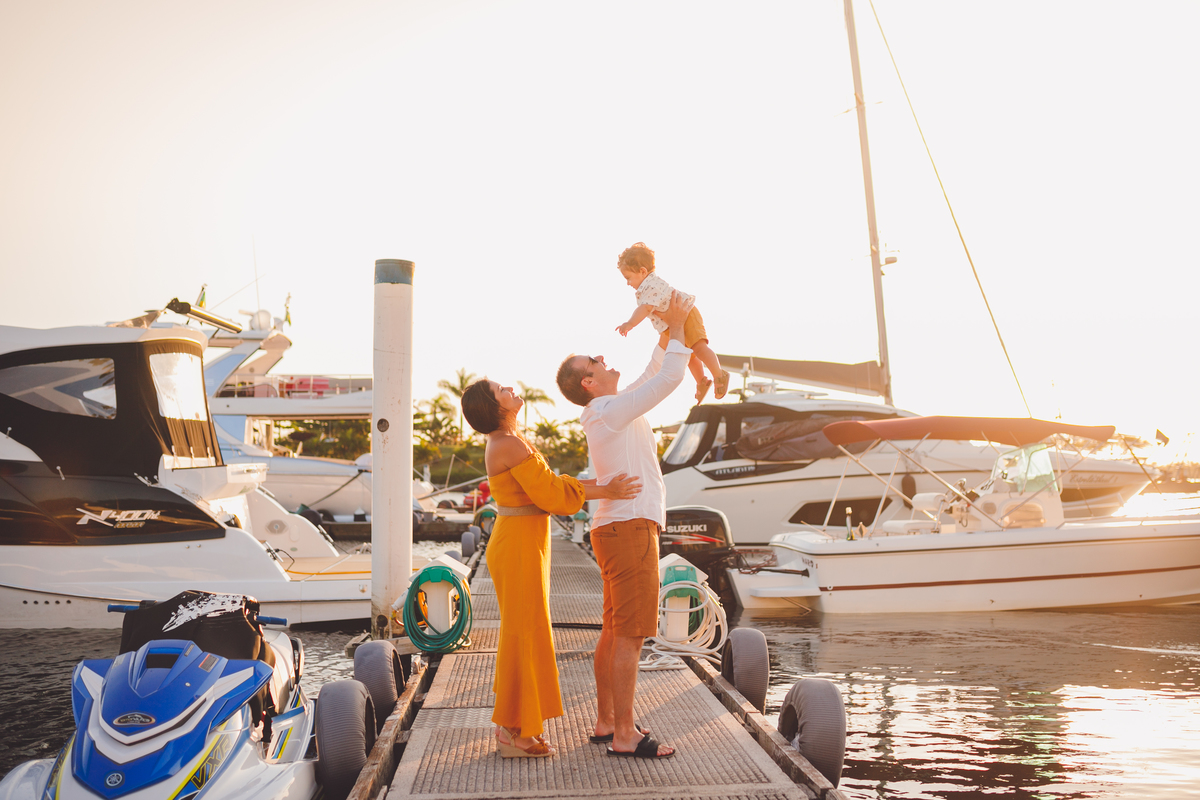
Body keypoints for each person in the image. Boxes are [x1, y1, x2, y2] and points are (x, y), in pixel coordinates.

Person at [460, 378, 643, 758]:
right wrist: (605, 490)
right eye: (501, 390)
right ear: (494, 407)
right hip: (518, 545)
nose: (510, 388)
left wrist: (599, 485)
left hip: (524, 541)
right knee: (523, 635)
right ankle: (513, 732)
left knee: (527, 632)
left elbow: (550, 485)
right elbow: (552, 495)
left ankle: (517, 727)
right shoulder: (507, 443)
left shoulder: (507, 440)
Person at [554, 290, 691, 760]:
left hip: (617, 528)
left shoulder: (609, 409)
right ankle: (625, 734)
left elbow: (653, 373)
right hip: (630, 528)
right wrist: (679, 326)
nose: (602, 356)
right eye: (594, 360)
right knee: (630, 633)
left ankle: (608, 721)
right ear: (588, 382)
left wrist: (667, 328)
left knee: (615, 630)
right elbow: (669, 378)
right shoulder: (609, 411)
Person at [614, 241, 730, 403]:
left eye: (628, 278)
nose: (628, 283)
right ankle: (701, 382)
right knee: (689, 356)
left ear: (642, 271)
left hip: (686, 314)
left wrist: (630, 323)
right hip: (673, 324)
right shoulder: (647, 287)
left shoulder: (651, 285)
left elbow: (645, 308)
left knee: (699, 348)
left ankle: (719, 374)